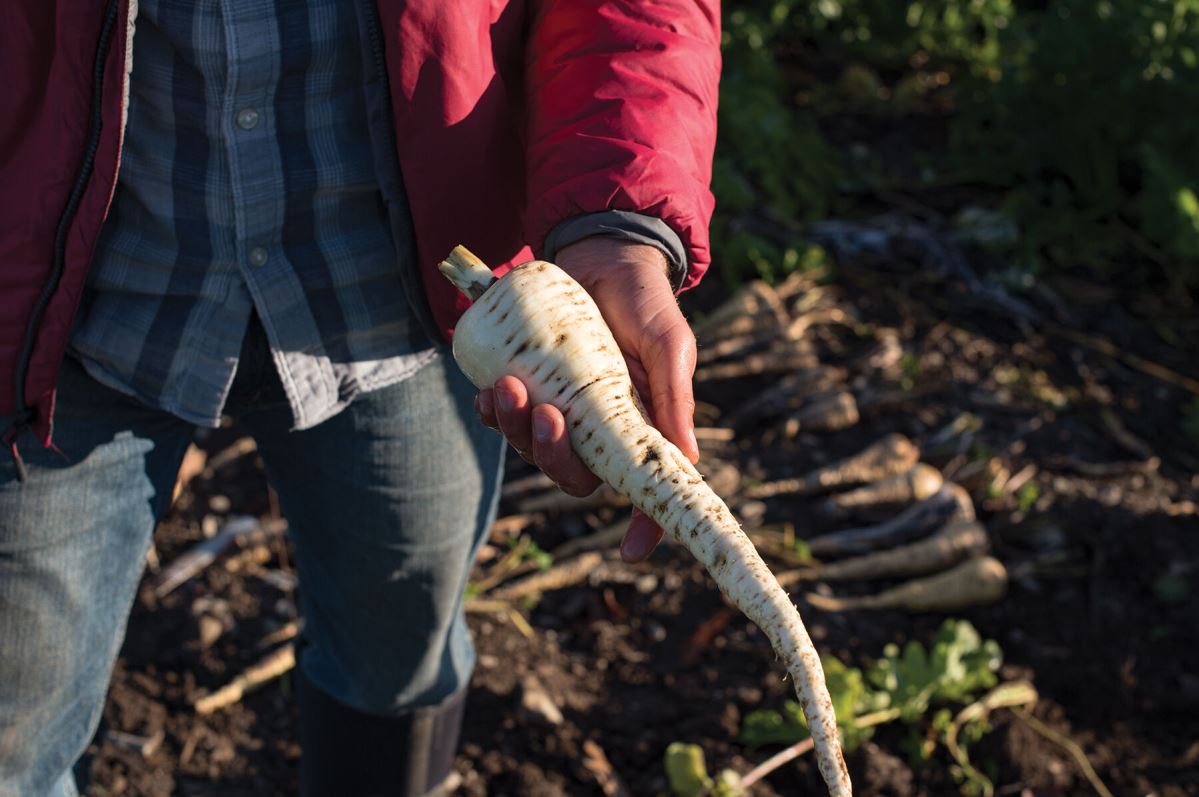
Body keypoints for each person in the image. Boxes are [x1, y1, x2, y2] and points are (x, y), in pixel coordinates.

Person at [0, 1, 720, 795]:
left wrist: (615, 223)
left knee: (400, 657)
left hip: (400, 295)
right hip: (53, 307)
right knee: (11, 719)